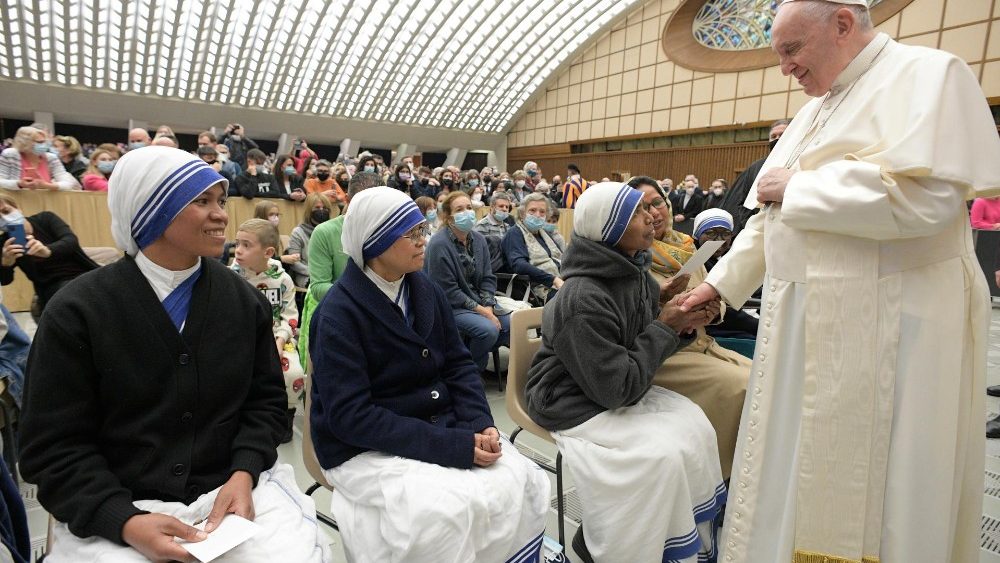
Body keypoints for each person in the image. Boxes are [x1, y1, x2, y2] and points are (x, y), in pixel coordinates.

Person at [680, 1, 1000, 561]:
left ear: (843, 25)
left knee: (887, 491)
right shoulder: (811, 111)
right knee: (791, 471)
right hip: (801, 326)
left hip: (897, 328)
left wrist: (798, 187)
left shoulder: (930, 76)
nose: (785, 68)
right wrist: (719, 286)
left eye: (791, 50)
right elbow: (766, 222)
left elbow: (926, 201)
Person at [18, 146, 328, 562]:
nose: (221, 214)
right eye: (202, 201)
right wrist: (124, 521)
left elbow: (265, 405)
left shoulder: (242, 301)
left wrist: (244, 471)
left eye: (220, 200)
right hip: (118, 505)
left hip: (233, 493)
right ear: (152, 211)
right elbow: (52, 446)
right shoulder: (77, 311)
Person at [309, 186, 549, 563]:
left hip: (435, 424)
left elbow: (457, 364)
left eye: (422, 230)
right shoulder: (338, 315)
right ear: (375, 243)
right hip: (366, 446)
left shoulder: (424, 290)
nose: (424, 241)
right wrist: (452, 445)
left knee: (524, 480)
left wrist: (480, 422)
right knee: (441, 516)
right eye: (412, 234)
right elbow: (351, 417)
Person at [525, 182, 725, 563]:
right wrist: (666, 325)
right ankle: (618, 547)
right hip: (566, 399)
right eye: (636, 212)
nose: (652, 217)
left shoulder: (631, 272)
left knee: (696, 427)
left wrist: (682, 321)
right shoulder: (582, 297)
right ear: (610, 228)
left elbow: (636, 339)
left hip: (607, 384)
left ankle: (675, 540)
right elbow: (616, 389)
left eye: (648, 209)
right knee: (660, 457)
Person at [627, 176, 751, 480]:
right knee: (743, 386)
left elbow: (712, 290)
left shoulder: (689, 247)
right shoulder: (632, 255)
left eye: (657, 202)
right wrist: (674, 310)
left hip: (702, 343)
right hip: (666, 355)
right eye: (642, 207)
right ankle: (718, 478)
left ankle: (750, 469)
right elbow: (636, 314)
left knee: (766, 380)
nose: (653, 212)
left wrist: (711, 310)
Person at [230, 219, 304, 444]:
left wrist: (280, 340)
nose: (238, 251)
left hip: (277, 337)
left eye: (246, 245)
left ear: (267, 252)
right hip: (240, 340)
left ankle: (285, 417)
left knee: (293, 373)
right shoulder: (231, 277)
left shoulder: (283, 279)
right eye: (237, 244)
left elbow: (290, 316)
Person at [297, 171, 382, 366]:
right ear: (349, 201)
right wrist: (367, 295)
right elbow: (319, 288)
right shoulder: (325, 232)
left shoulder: (387, 231)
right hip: (339, 318)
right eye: (365, 204)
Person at [426, 191, 510, 372]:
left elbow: (488, 276)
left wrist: (488, 305)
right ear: (449, 218)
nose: (467, 212)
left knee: (512, 324)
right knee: (488, 330)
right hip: (450, 306)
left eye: (469, 208)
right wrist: (485, 313)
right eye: (459, 209)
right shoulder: (439, 244)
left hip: (479, 303)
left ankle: (468, 363)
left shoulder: (478, 239)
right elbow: (448, 291)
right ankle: (467, 371)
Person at [0, 194, 98, 316]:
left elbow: (70, 241)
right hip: (52, 287)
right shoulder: (4, 243)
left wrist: (48, 250)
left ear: (17, 208)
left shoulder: (45, 219)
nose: (5, 219)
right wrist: (6, 264)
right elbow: (5, 281)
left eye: (6, 211)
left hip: (84, 272)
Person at [692, 208, 758, 341]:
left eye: (725, 234)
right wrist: (759, 326)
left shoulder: (727, 256)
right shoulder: (695, 260)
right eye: (711, 233)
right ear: (697, 235)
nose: (719, 240)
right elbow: (725, 310)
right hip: (712, 327)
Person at [720, 119, 789, 237]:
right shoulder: (756, 167)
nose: (777, 138)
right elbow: (743, 201)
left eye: (782, 135)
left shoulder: (804, 162)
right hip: (757, 231)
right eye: (773, 136)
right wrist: (750, 225)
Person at [502, 193, 563, 300]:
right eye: (532, 210)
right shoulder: (514, 233)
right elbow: (519, 265)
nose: (538, 215)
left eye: (542, 212)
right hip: (537, 289)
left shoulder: (543, 233)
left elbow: (559, 257)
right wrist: (553, 279)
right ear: (522, 213)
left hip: (560, 282)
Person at [287, 193, 335, 313]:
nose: (321, 211)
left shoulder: (333, 230)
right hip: (306, 276)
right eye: (317, 208)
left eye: (325, 208)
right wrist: (316, 273)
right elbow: (294, 262)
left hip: (330, 275)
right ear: (309, 210)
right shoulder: (298, 232)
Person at [0, 126, 80, 191]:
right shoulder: (11, 154)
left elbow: (68, 183)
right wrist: (19, 184)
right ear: (24, 142)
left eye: (45, 142)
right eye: (39, 142)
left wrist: (47, 186)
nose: (44, 145)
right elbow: (1, 181)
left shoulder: (51, 158)